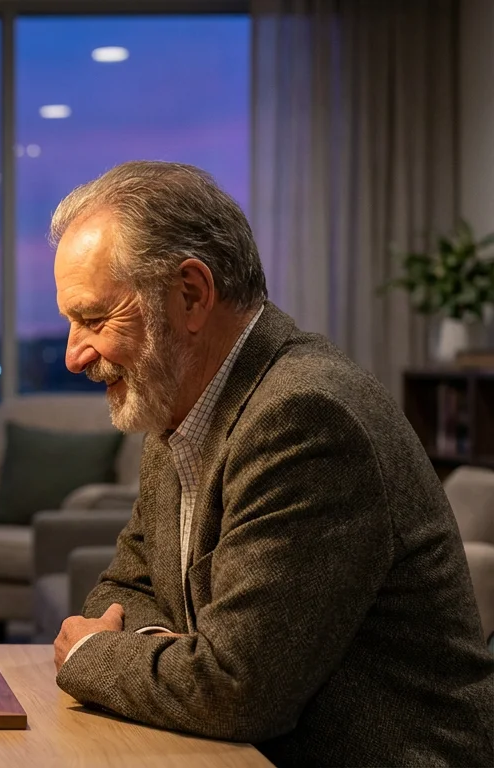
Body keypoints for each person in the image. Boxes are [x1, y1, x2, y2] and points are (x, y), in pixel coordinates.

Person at [48, 161, 494, 765]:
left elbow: (235, 691)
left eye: (94, 318)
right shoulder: (178, 408)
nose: (74, 355)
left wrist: (93, 655)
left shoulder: (306, 418)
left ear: (191, 295)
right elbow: (122, 589)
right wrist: (174, 654)